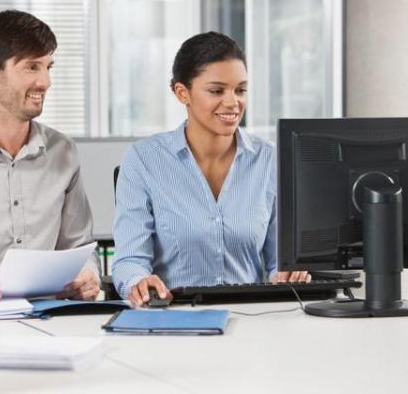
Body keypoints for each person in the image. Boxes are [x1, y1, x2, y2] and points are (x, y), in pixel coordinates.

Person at [111, 32, 310, 307]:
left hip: (253, 317)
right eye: (217, 91)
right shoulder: (144, 160)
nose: (232, 102)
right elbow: (130, 260)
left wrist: (288, 275)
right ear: (182, 93)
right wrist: (138, 282)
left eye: (240, 90)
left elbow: (279, 262)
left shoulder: (270, 160)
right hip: (174, 316)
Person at [0, 10, 100, 303]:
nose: (46, 81)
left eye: (48, 67)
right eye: (31, 68)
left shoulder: (62, 151)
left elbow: (79, 248)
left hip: (48, 316)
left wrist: (87, 275)